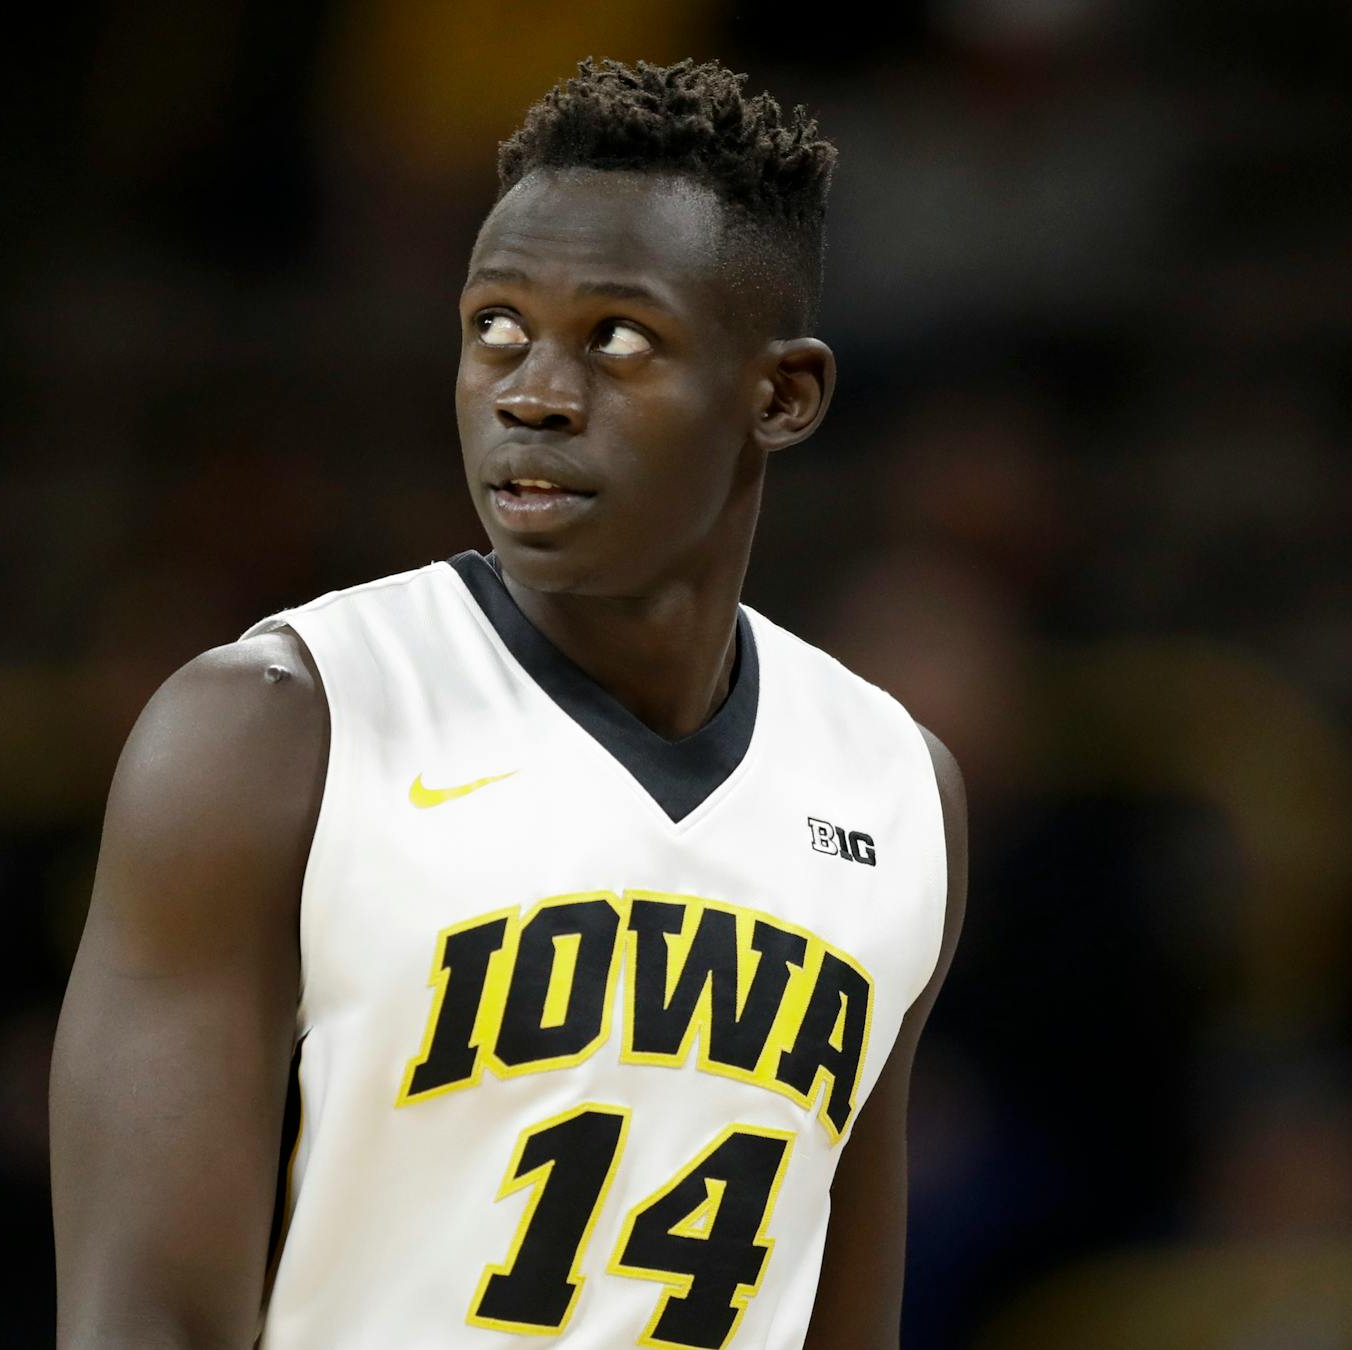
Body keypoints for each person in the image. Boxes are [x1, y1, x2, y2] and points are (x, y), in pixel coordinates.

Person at [50, 56, 968, 1350]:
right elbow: (140, 1319)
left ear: (781, 395)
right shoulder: (271, 731)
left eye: (618, 338)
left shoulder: (896, 787)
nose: (533, 390)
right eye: (497, 326)